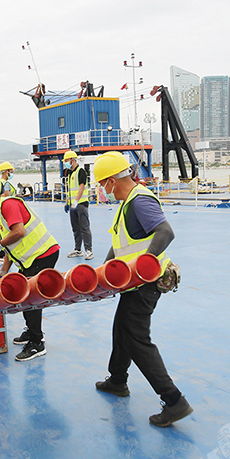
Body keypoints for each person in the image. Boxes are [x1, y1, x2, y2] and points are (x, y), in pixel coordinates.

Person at [91, 151, 193, 427]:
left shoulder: (140, 201)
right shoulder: (127, 203)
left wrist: (143, 265)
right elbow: (122, 244)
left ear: (113, 180)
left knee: (137, 339)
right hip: (130, 282)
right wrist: (103, 272)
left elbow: (165, 232)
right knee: (121, 328)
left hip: (144, 282)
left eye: (103, 184)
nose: (102, 190)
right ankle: (118, 380)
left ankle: (174, 401)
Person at [0, 179, 59, 362]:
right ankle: (32, 332)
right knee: (23, 296)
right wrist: (3, 273)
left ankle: (37, 342)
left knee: (30, 298)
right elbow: (11, 248)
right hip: (31, 260)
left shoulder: (8, 205)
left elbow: (19, 232)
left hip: (43, 254)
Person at [62, 150, 93, 260]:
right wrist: (67, 202)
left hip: (81, 204)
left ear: (72, 160)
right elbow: (70, 189)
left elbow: (81, 187)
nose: (65, 162)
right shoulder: (70, 173)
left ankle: (89, 250)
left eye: (66, 160)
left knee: (84, 227)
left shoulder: (81, 171)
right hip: (72, 205)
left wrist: (76, 201)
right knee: (75, 228)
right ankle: (78, 249)